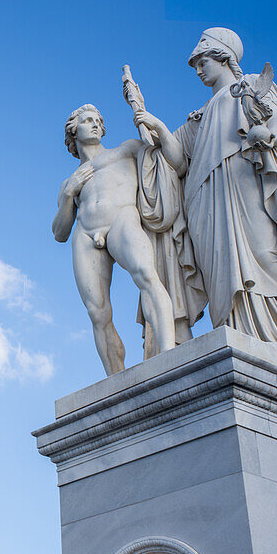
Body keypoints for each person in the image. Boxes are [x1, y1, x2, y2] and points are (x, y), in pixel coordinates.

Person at [165, 28, 277, 349]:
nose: (199, 69)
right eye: (196, 64)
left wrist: (268, 133)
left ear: (223, 57)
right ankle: (237, 333)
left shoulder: (249, 86)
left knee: (267, 253)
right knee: (222, 269)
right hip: (205, 201)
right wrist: (145, 118)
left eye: (203, 61)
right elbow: (172, 156)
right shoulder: (196, 120)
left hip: (248, 184)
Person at [53, 105, 179, 374]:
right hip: (86, 232)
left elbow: (166, 156)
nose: (96, 124)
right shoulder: (69, 182)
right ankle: (116, 378)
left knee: (147, 275)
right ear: (73, 130)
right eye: (88, 121)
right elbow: (59, 233)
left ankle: (169, 353)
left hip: (122, 218)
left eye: (98, 120)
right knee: (97, 312)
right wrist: (68, 195)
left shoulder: (126, 150)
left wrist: (151, 122)